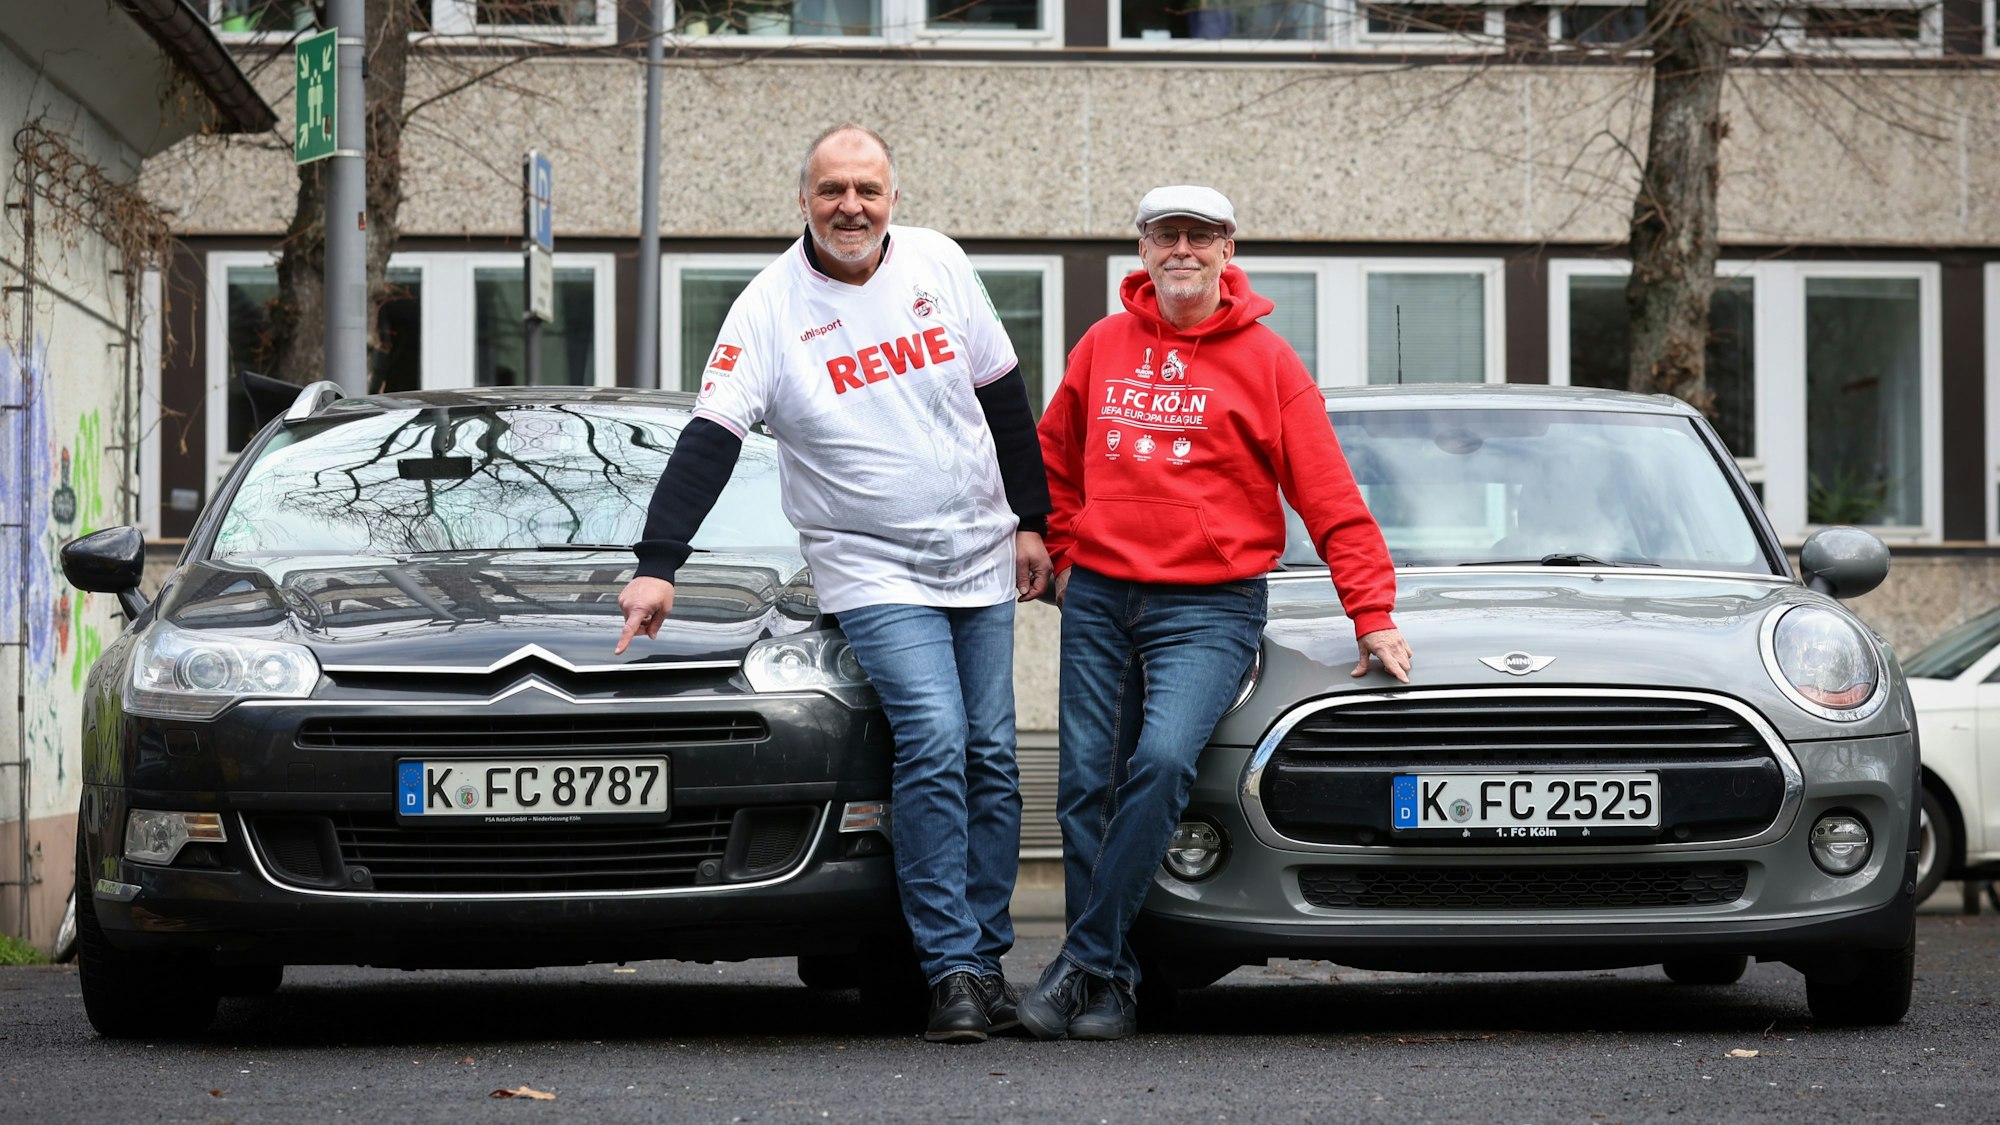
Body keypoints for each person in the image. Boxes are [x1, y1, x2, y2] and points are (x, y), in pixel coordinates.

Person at [614, 125, 1053, 1044]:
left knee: (994, 757)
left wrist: (1032, 519)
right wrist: (659, 566)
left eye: (868, 189)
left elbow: (1004, 394)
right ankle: (950, 970)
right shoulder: (769, 308)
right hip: (869, 562)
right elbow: (710, 440)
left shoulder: (939, 263)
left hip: (975, 551)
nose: (850, 206)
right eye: (831, 190)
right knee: (934, 739)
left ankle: (985, 952)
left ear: (894, 195)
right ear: (803, 198)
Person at [1022, 185, 1413, 1041]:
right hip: (1099, 596)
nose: (1183, 251)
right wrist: (1059, 548)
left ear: (1228, 248)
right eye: (1167, 236)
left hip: (1209, 604)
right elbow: (1053, 458)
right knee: (1085, 785)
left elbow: (1328, 494)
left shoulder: (1268, 360)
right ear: (1145, 249)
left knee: (1160, 763)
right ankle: (1114, 985)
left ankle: (1081, 961)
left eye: (1201, 236)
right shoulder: (1102, 345)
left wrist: (1370, 609)